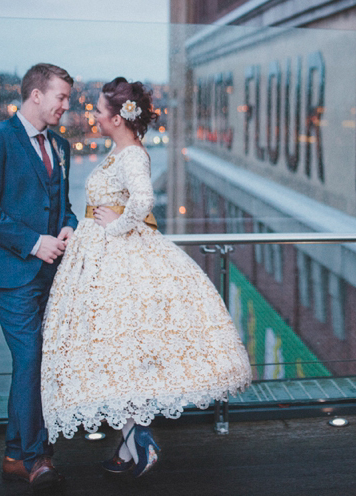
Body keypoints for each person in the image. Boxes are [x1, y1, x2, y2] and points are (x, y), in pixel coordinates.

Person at [40, 77, 251, 478]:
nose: (95, 115)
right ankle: (129, 445)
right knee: (119, 350)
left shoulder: (132, 155)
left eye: (100, 110)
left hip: (118, 256)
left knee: (119, 345)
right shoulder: (120, 151)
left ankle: (135, 440)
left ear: (118, 118)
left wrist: (117, 226)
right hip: (103, 254)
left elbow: (143, 200)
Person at [0, 63, 78, 490]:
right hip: (11, 274)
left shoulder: (61, 146)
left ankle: (16, 454)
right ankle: (36, 458)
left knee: (39, 361)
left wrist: (69, 225)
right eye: (61, 97)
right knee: (32, 358)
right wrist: (33, 242)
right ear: (36, 95)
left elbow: (63, 203)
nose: (67, 106)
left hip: (52, 274)